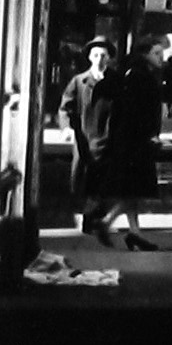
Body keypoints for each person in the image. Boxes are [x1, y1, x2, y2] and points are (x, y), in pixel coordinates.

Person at [87, 34, 168, 251]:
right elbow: (135, 111)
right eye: (157, 54)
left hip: (130, 140)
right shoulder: (140, 76)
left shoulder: (138, 73)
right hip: (134, 142)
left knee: (132, 190)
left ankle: (134, 232)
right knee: (133, 188)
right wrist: (149, 134)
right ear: (144, 54)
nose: (161, 58)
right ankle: (107, 221)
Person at [60, 38, 115, 223]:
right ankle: (86, 215)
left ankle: (94, 217)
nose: (99, 59)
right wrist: (67, 128)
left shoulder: (115, 81)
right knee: (82, 177)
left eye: (103, 55)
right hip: (84, 136)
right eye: (96, 55)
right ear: (90, 57)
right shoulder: (79, 81)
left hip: (107, 136)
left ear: (109, 58)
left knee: (103, 178)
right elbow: (65, 107)